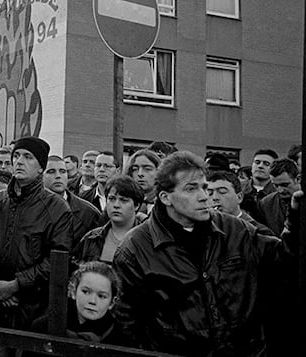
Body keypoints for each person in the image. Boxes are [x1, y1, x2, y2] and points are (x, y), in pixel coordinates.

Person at [113, 151, 302, 356]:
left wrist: (297, 219)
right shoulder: (135, 248)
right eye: (191, 189)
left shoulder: (236, 229)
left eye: (204, 187)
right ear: (166, 197)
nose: (205, 197)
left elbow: (284, 260)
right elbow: (126, 324)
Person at [0, 137, 72, 331]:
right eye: (16, 156)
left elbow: (57, 260)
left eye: (28, 157)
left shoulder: (56, 208)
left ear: (41, 167)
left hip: (32, 308)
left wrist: (15, 285)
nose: (19, 161)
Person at [29, 261, 123, 346]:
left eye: (102, 296)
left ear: (112, 302)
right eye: (86, 291)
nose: (92, 301)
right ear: (73, 291)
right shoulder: (44, 327)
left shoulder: (119, 339)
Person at [73, 175, 144, 265]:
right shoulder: (91, 238)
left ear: (136, 205)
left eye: (123, 200)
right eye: (111, 199)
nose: (116, 205)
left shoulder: (146, 240)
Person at [42, 155, 100, 248]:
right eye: (51, 172)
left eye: (62, 171)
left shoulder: (88, 213)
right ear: (41, 176)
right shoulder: (31, 208)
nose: (58, 176)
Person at [205, 169, 274, 236]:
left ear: (239, 197)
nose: (214, 198)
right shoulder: (202, 228)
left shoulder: (258, 233)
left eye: (222, 192)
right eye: (210, 193)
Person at [258, 158, 300, 236]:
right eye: (276, 185)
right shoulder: (266, 204)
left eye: (285, 185)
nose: (280, 190)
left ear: (298, 179)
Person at [124, 148, 160, 215]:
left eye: (147, 169)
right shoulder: (120, 202)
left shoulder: (167, 204)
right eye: (135, 169)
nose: (140, 174)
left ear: (158, 172)